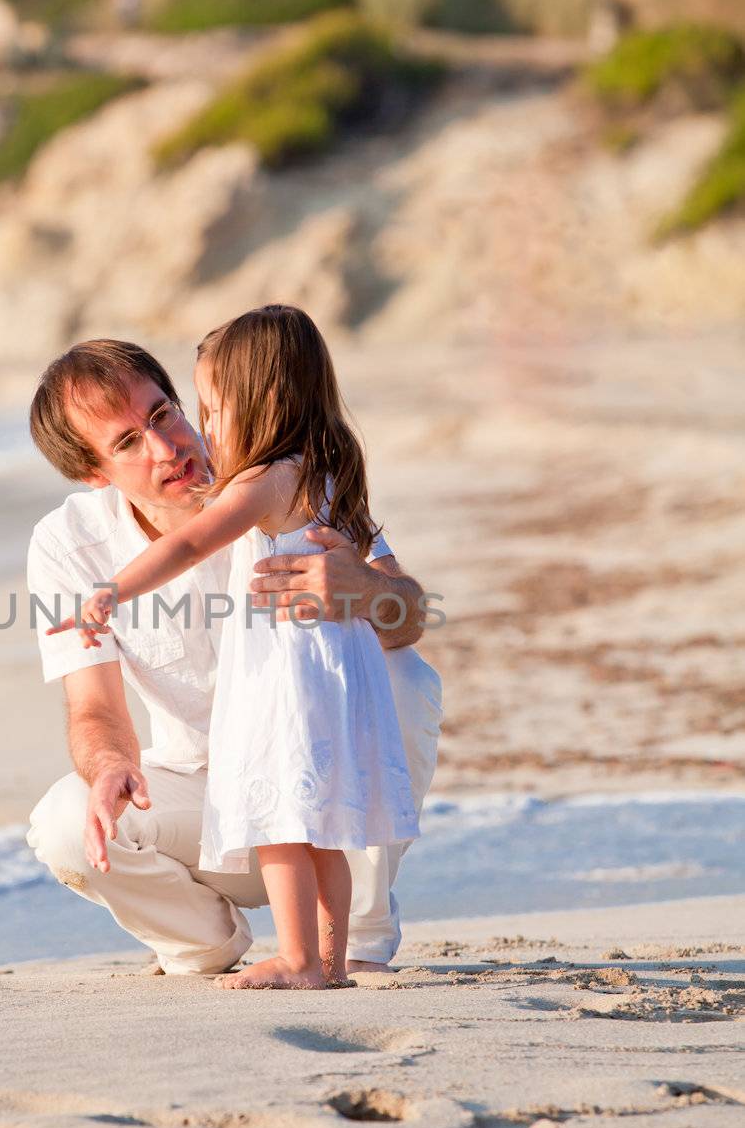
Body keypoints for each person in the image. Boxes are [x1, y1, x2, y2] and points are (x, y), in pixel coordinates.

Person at [25, 324, 441, 978]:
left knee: (402, 674)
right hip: (205, 805)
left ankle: (354, 934)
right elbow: (94, 708)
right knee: (64, 821)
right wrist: (108, 764)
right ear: (92, 473)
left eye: (164, 412)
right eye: (129, 441)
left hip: (317, 785)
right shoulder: (66, 545)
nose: (166, 446)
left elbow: (411, 615)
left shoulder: (273, 476)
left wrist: (364, 589)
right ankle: (204, 945)